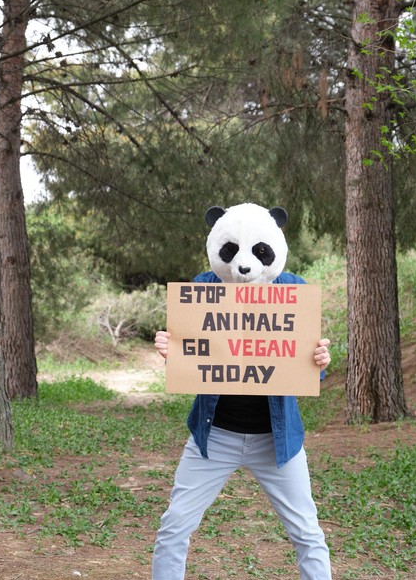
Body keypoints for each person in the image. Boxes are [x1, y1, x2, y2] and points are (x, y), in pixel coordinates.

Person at [151, 202, 332, 580]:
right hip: (214, 434)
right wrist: (173, 350)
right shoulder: (203, 288)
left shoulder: (293, 291)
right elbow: (193, 358)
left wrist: (318, 362)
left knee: (308, 533)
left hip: (277, 439)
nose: (244, 265)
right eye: (232, 251)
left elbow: (306, 373)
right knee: (174, 527)